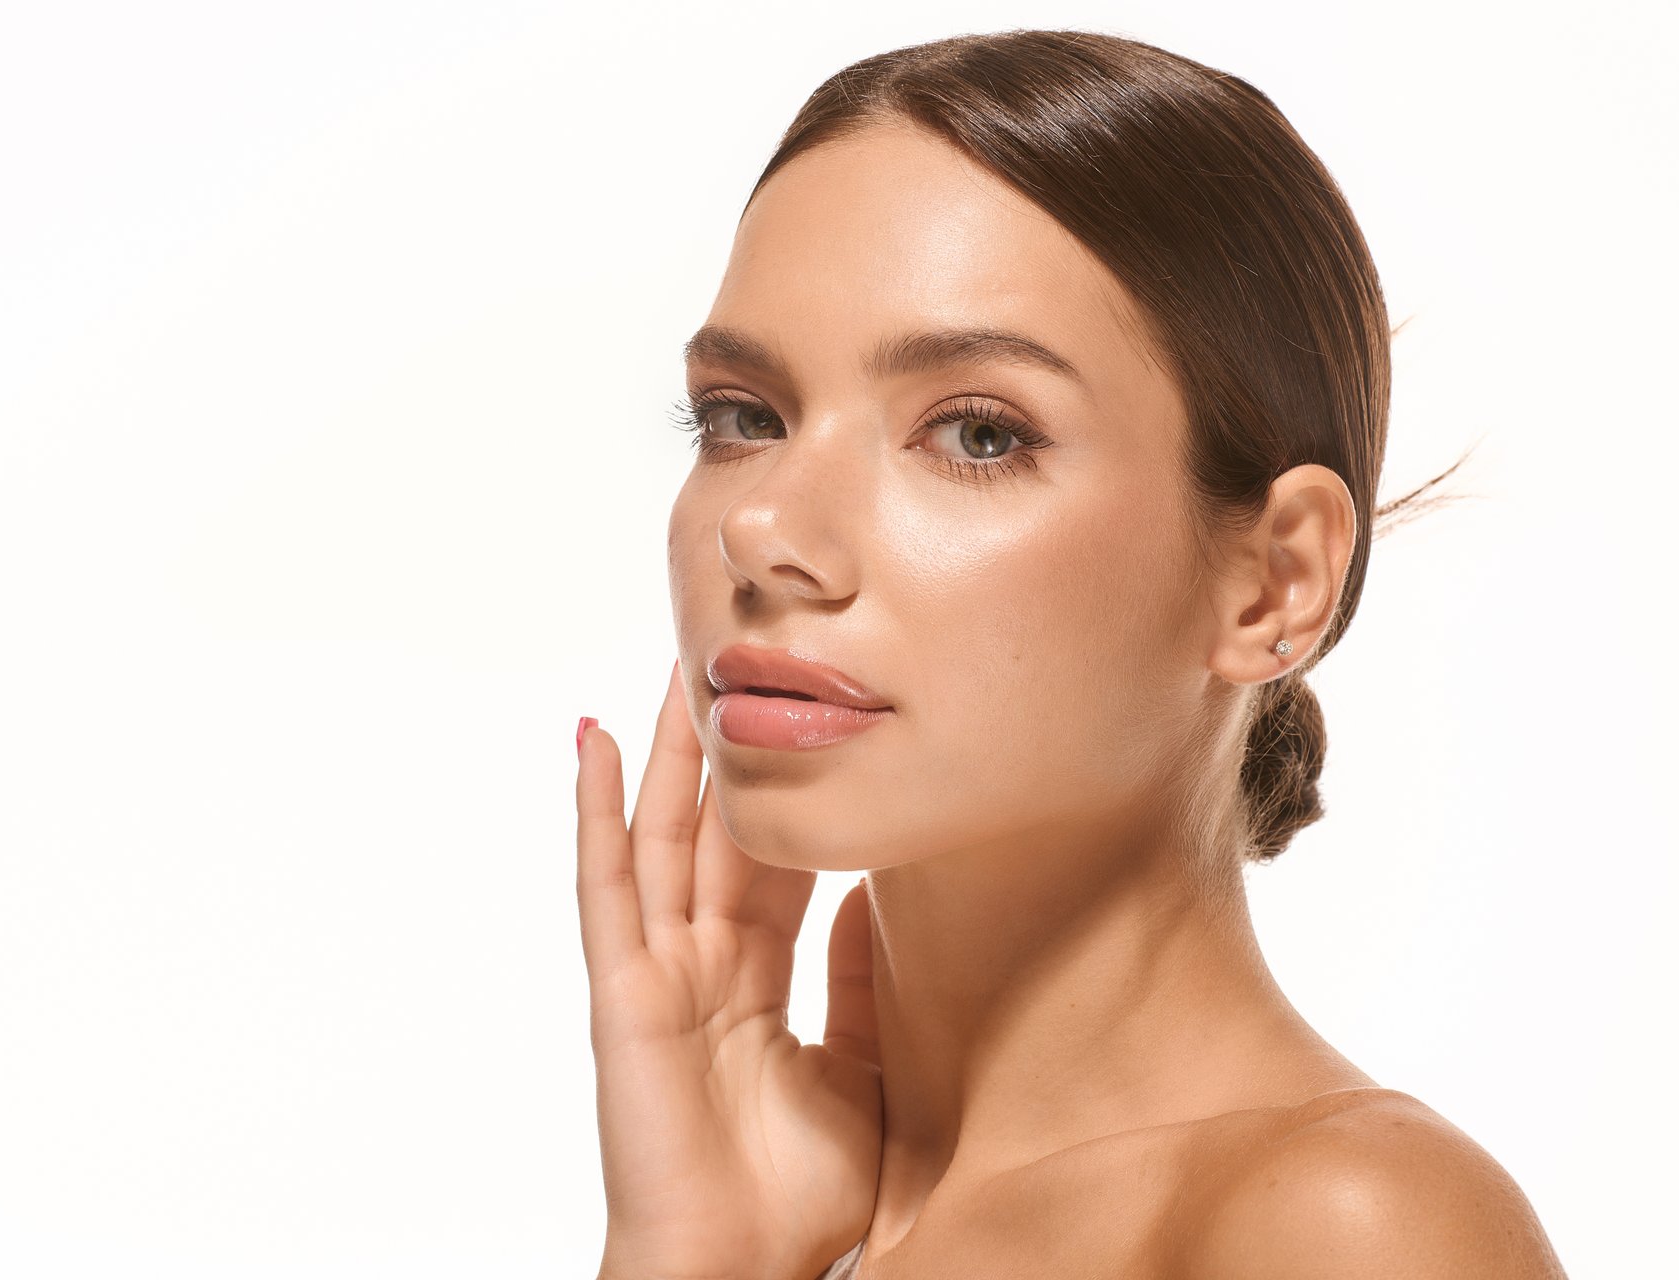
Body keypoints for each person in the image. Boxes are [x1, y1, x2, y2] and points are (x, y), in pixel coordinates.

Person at [573, 28, 1567, 1280]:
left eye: (978, 434)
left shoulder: (1345, 1224)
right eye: (742, 416)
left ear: (1276, 580)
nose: (763, 528)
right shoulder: (801, 1217)